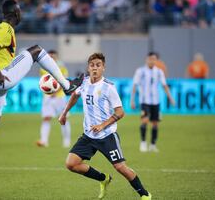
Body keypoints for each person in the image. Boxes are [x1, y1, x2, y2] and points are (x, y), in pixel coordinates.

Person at [0, 0, 84, 179]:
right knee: (36, 50)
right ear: (15, 12)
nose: (21, 13)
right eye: (19, 10)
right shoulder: (5, 28)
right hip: (1, 77)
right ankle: (67, 85)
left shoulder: (0, 29)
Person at [59, 53, 151, 200]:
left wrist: (103, 125)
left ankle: (145, 194)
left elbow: (120, 112)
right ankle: (103, 178)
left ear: (103, 68)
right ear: (88, 68)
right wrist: (64, 113)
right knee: (71, 164)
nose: (95, 68)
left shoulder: (109, 87)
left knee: (120, 167)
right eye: (92, 65)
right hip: (88, 135)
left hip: (107, 135)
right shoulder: (83, 83)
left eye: (98, 65)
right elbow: (75, 95)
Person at [131, 52, 175, 152]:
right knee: (144, 121)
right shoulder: (140, 71)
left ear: (156, 60)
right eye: (150, 59)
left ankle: (153, 144)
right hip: (144, 101)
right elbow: (135, 85)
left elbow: (164, 85)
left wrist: (170, 98)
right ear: (147, 60)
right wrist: (132, 100)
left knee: (155, 124)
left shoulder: (159, 72)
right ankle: (143, 143)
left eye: (154, 59)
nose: (152, 61)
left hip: (156, 102)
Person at [36, 50, 71, 148]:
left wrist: (55, 92)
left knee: (64, 118)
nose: (51, 58)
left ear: (56, 57)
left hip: (60, 97)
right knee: (46, 118)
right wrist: (49, 93)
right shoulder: (43, 69)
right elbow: (43, 84)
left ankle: (66, 141)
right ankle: (43, 141)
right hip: (48, 98)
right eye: (49, 56)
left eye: (53, 56)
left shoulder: (62, 68)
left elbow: (64, 81)